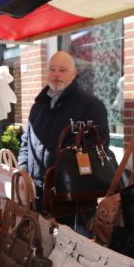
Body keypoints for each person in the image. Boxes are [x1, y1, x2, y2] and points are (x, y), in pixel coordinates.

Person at [18, 51, 109, 208]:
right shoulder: (38, 107)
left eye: (62, 70)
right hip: (35, 196)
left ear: (73, 73)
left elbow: (98, 151)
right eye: (52, 69)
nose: (56, 75)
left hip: (72, 202)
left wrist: (64, 180)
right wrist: (23, 172)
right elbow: (26, 143)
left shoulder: (91, 106)